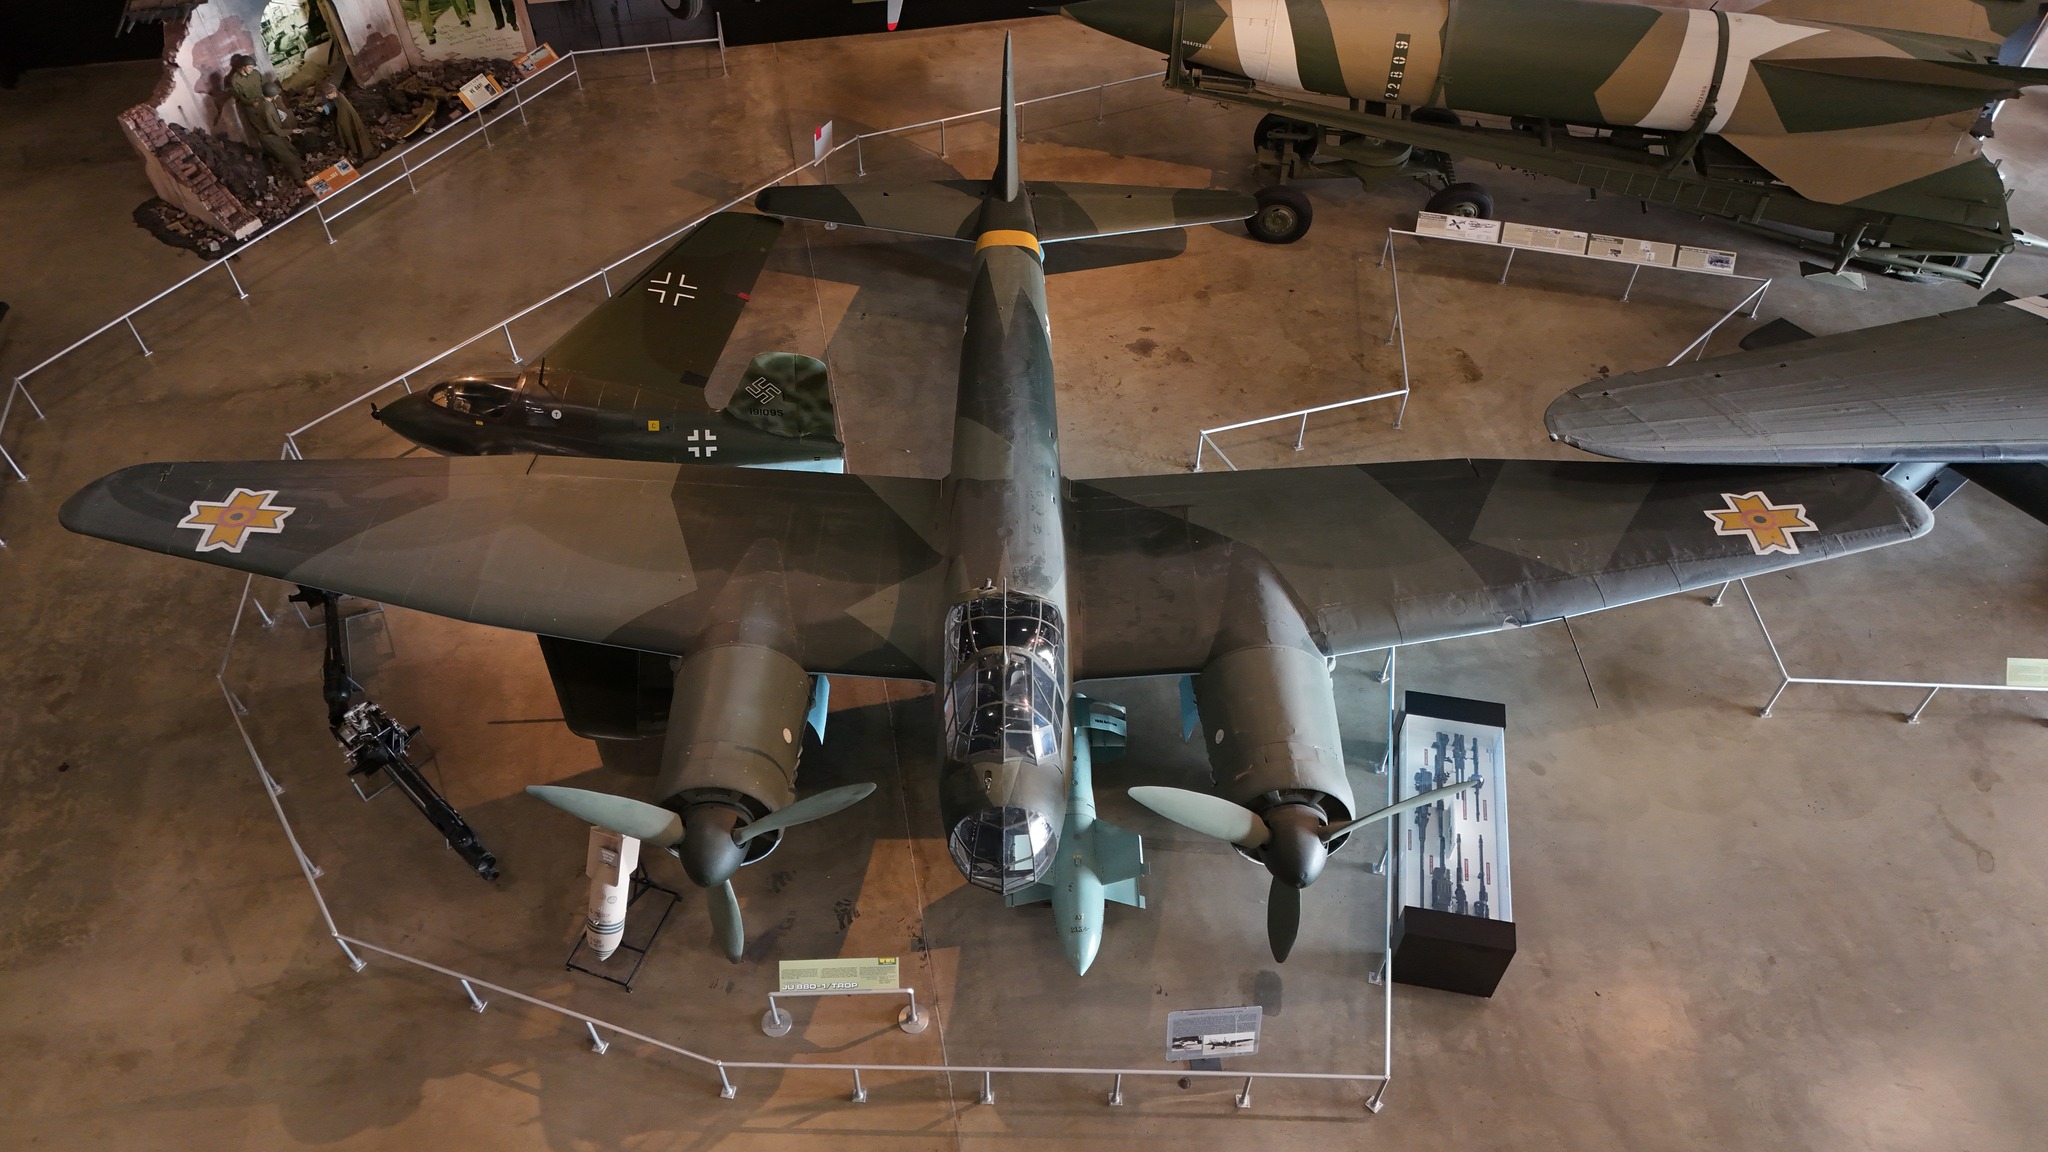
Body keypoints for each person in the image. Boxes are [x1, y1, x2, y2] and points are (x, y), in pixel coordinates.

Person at [318, 83, 381, 165]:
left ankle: (364, 153)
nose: (327, 97)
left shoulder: (342, 101)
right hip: (347, 121)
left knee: (356, 138)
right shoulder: (337, 97)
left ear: (333, 92)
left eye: (327, 95)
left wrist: (339, 124)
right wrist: (324, 109)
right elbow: (332, 104)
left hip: (348, 122)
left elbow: (342, 117)